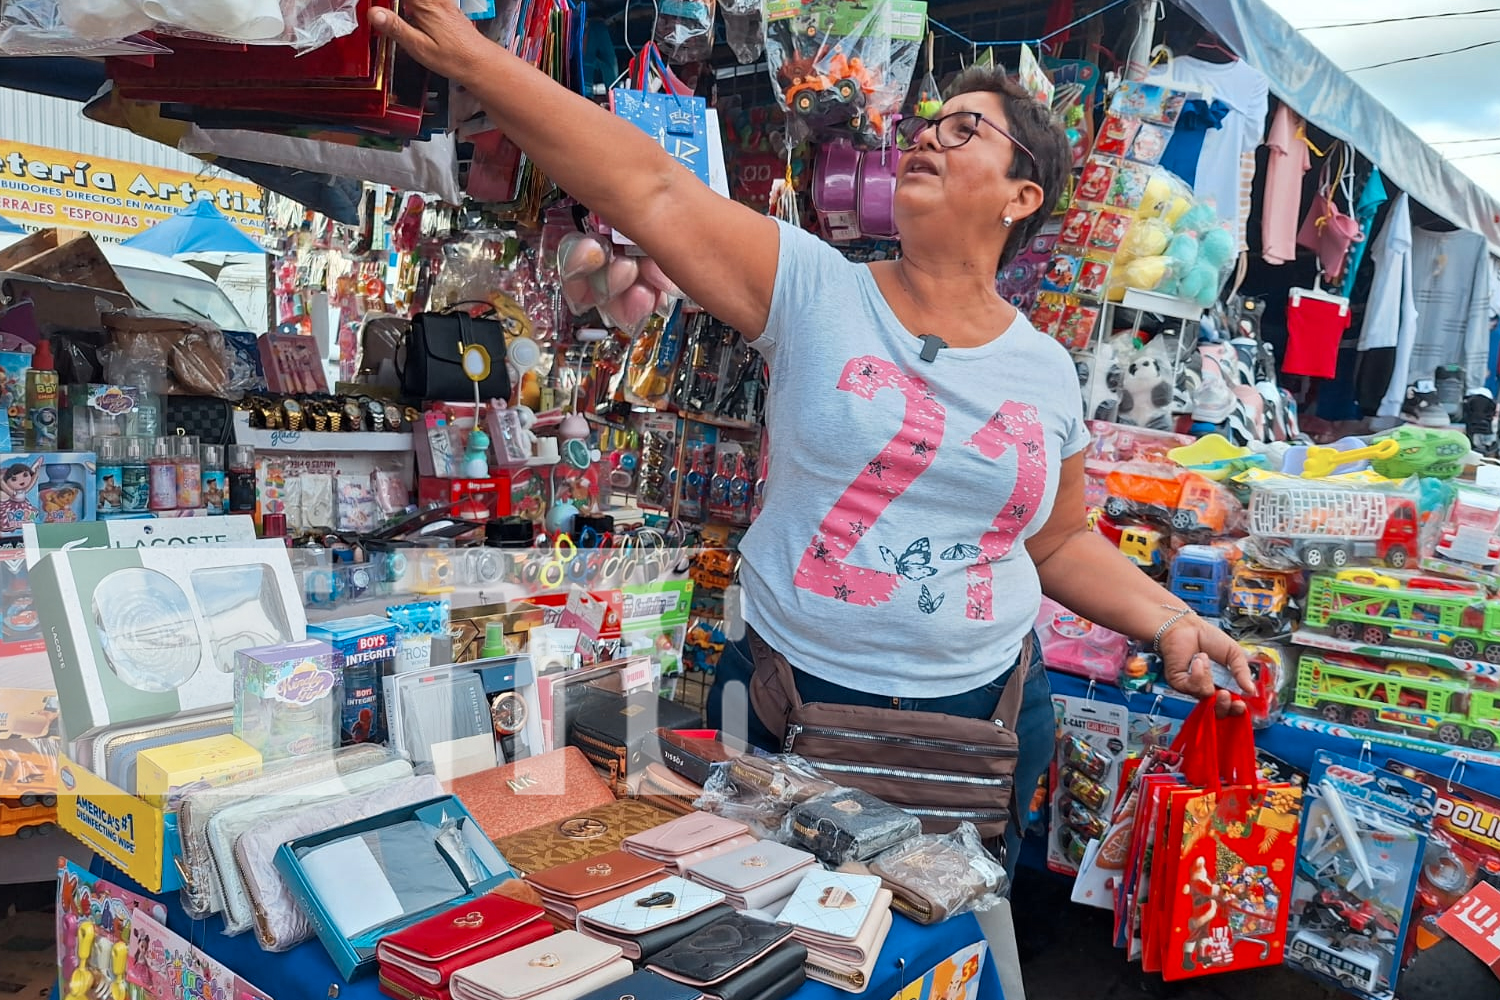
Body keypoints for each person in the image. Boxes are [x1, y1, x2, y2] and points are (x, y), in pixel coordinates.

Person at [373, 0, 1253, 874]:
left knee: (936, 953)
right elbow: (650, 186)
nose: (929, 136)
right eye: (929, 122)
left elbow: (1055, 539)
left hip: (981, 722)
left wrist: (1172, 620)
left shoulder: (1047, 370)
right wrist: (474, 61)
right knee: (769, 928)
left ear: (1022, 195)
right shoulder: (817, 290)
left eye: (966, 130)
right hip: (790, 703)